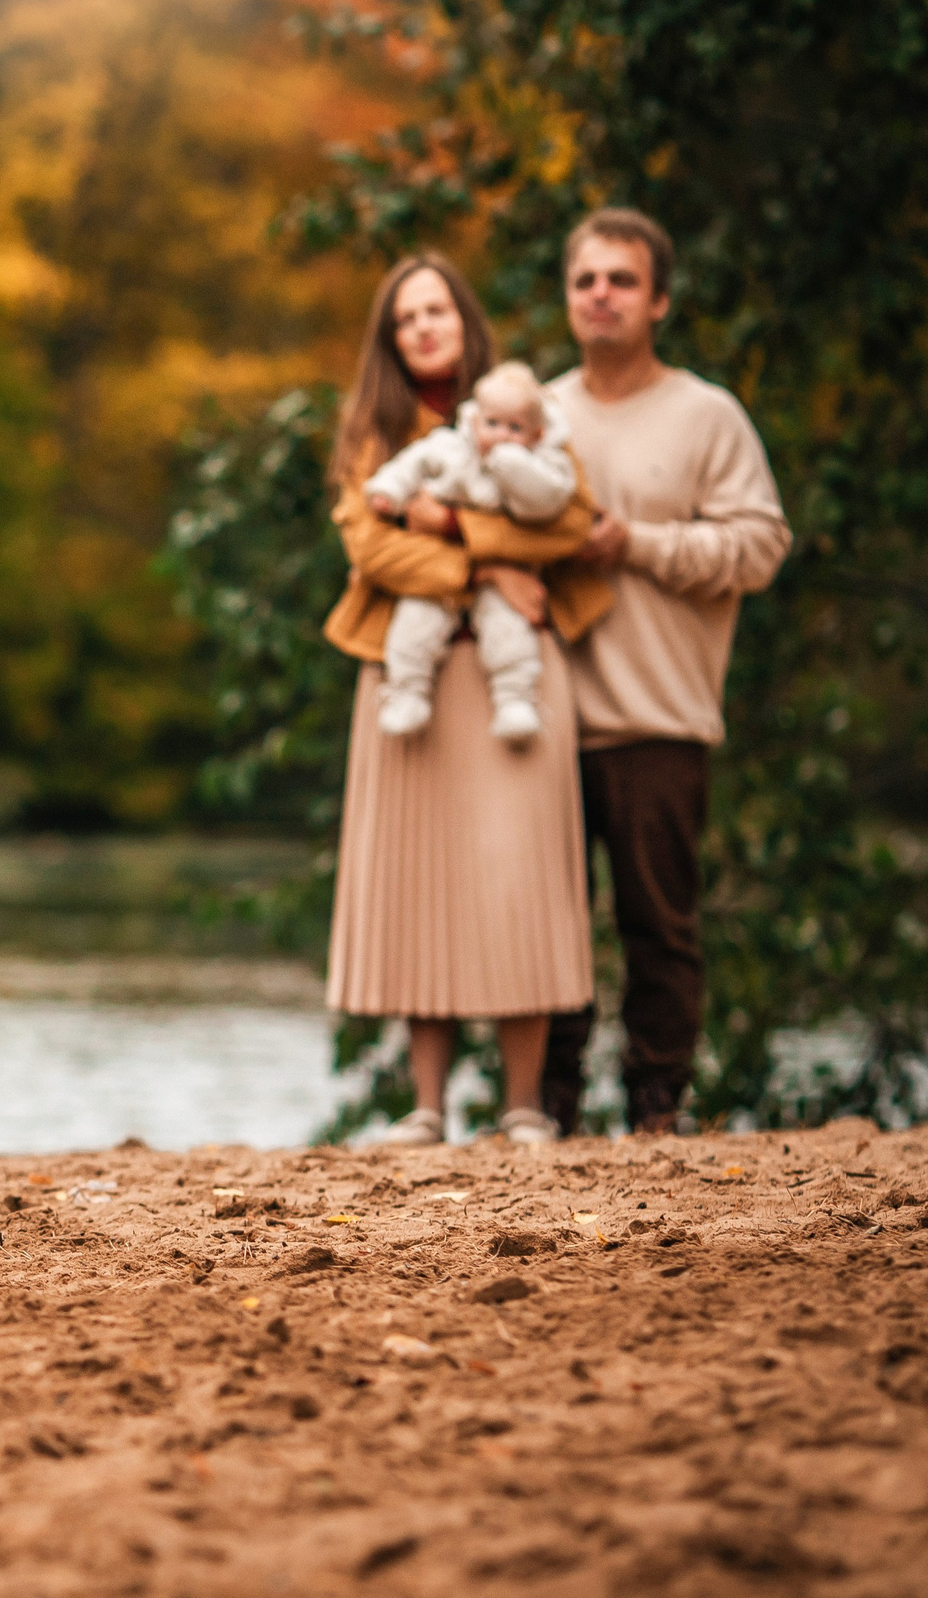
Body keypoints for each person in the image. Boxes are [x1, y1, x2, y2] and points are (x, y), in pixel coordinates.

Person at [320, 255, 612, 1148]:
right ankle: (428, 1106)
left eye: (435, 309)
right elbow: (371, 550)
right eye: (405, 317)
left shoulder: (526, 405)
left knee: (518, 874)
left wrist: (453, 525)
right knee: (418, 879)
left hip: (513, 677)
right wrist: (487, 563)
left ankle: (524, 1103)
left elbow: (568, 521)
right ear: (390, 337)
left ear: (463, 317)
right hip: (409, 675)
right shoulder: (372, 430)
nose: (422, 327)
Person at [540, 209, 791, 1134]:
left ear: (661, 301)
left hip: (660, 716)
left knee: (659, 927)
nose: (600, 294)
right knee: (544, 931)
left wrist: (634, 543)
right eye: (585, 280)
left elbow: (761, 546)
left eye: (621, 280)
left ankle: (656, 1108)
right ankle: (547, 1109)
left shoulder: (706, 414)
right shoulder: (538, 413)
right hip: (544, 723)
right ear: (568, 299)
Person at [363, 360, 580, 740]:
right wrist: (390, 490)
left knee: (509, 631)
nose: (500, 436)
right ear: (475, 419)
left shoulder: (546, 464)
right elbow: (411, 465)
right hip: (440, 574)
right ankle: (408, 692)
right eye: (492, 424)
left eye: (515, 428)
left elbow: (554, 510)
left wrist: (514, 468)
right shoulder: (450, 447)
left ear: (537, 432)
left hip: (505, 582)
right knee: (416, 621)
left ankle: (515, 699)